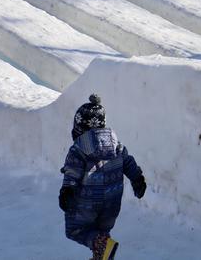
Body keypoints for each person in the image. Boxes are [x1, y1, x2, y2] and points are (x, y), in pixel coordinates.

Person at [59, 94, 146, 260]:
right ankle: (100, 255)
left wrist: (67, 191)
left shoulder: (78, 149)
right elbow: (128, 162)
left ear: (79, 128)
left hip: (88, 202)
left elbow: (73, 172)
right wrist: (138, 179)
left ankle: (102, 247)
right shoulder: (115, 144)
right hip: (112, 201)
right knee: (101, 231)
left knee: (75, 229)